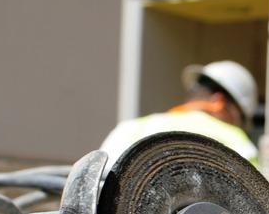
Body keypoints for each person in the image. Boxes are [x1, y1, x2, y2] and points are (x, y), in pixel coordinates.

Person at [101, 60, 259, 167]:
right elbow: (258, 208)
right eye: (238, 119)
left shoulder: (130, 127)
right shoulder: (236, 140)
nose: (236, 125)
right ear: (219, 101)